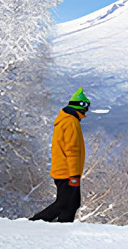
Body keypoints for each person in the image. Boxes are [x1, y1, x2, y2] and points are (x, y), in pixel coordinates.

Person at [30, 88, 90, 223]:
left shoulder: (67, 119)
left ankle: (63, 228)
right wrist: (74, 175)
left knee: (72, 204)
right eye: (86, 107)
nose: (87, 111)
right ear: (81, 106)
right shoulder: (71, 122)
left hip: (64, 170)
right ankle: (34, 222)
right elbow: (72, 150)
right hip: (67, 172)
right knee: (64, 203)